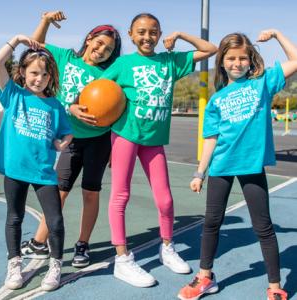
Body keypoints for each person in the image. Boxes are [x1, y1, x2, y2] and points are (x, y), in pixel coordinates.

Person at [177, 30, 297, 300]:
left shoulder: (263, 83)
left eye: (243, 58)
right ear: (222, 61)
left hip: (251, 167)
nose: (237, 63)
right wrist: (200, 172)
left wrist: (278, 34)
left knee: (263, 226)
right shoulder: (217, 100)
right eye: (231, 58)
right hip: (221, 166)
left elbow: (296, 59)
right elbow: (211, 139)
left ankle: (275, 286)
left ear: (251, 59)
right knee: (211, 222)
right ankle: (205, 277)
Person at [101, 13, 217, 287]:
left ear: (160, 34)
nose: (147, 37)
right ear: (130, 34)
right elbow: (100, 93)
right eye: (141, 31)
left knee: (165, 200)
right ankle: (123, 259)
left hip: (154, 140)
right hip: (125, 136)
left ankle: (167, 247)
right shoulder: (122, 63)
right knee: (121, 196)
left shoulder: (170, 62)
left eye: (153, 32)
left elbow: (210, 49)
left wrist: (179, 35)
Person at [20, 11, 121, 268]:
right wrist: (44, 21)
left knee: (91, 192)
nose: (102, 50)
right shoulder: (65, 58)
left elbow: (118, 107)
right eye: (99, 43)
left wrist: (115, 146)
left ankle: (82, 245)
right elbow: (35, 47)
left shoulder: (109, 74)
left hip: (99, 140)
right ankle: (39, 243)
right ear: (89, 39)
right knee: (59, 193)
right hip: (69, 139)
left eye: (108, 50)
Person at [0, 35, 73, 291]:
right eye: (33, 73)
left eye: (44, 75)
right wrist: (17, 40)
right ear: (22, 72)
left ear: (50, 78)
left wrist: (63, 143)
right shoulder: (13, 95)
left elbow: (67, 132)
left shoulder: (56, 106)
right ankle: (14, 263)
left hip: (43, 173)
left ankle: (55, 265)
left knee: (56, 221)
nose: (38, 79)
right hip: (15, 170)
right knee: (14, 218)